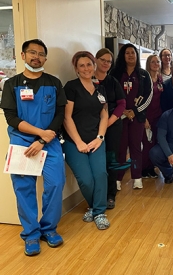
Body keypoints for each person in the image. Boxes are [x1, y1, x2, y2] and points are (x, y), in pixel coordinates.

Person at [0, 39, 67, 256]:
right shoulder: (11, 85)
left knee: (56, 183)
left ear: (45, 58)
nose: (36, 57)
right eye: (32, 52)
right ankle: (30, 234)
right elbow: (10, 117)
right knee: (23, 188)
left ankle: (48, 229)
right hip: (22, 141)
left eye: (40, 54)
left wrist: (44, 139)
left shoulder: (54, 83)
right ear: (23, 55)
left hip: (50, 140)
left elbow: (59, 114)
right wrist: (39, 135)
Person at [62, 51, 110, 230]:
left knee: (100, 174)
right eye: (81, 65)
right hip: (74, 142)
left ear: (94, 65)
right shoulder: (71, 87)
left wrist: (100, 138)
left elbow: (104, 115)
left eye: (89, 64)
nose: (86, 68)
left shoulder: (100, 88)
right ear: (76, 68)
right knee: (86, 179)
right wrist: (79, 142)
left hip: (96, 140)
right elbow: (67, 117)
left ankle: (98, 212)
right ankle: (94, 206)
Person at [110, 44, 153, 190]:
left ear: (136, 55)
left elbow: (149, 96)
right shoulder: (115, 73)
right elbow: (110, 95)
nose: (130, 55)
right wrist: (120, 111)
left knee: (136, 148)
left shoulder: (143, 74)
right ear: (122, 55)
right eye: (127, 53)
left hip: (136, 117)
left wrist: (135, 111)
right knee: (120, 149)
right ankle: (117, 179)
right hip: (120, 117)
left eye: (132, 53)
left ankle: (137, 177)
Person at [94, 48, 127, 209]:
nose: (106, 63)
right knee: (96, 160)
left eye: (109, 61)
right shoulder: (88, 80)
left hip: (112, 125)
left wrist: (108, 122)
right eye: (103, 60)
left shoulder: (113, 82)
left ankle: (110, 194)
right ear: (96, 60)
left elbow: (122, 104)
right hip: (92, 127)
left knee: (111, 159)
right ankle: (96, 194)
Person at [142, 54, 163, 179]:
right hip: (147, 117)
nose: (156, 64)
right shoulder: (145, 79)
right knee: (147, 143)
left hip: (158, 116)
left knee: (155, 142)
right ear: (148, 64)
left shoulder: (160, 79)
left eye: (158, 62)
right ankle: (144, 169)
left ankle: (152, 167)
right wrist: (144, 118)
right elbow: (140, 101)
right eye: (153, 62)